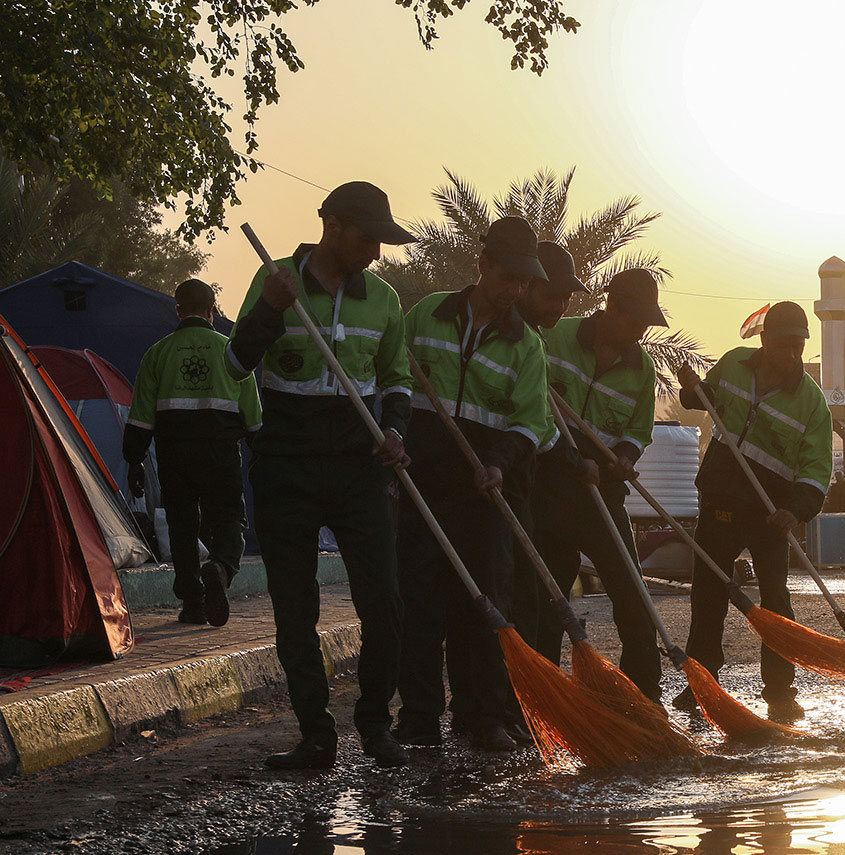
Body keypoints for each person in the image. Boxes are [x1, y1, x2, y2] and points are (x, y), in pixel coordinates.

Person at [229, 181, 415, 771]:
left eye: (382, 242)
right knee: (295, 609)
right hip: (286, 465)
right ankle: (316, 735)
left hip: (360, 466)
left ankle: (375, 724)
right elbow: (235, 363)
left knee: (384, 602)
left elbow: (397, 380)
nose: (376, 253)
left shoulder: (383, 300)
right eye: (367, 239)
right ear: (332, 226)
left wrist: (395, 430)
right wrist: (269, 309)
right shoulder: (275, 280)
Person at [395, 216, 556, 753]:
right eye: (507, 277)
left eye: (522, 282)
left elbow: (531, 422)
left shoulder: (525, 345)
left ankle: (480, 716)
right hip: (422, 482)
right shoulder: (427, 314)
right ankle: (419, 717)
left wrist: (500, 465)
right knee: (419, 604)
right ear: (483, 265)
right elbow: (395, 379)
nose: (514, 291)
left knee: (485, 604)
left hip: (483, 488)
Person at [675, 300, 831, 722]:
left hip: (770, 513)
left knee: (776, 600)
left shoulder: (812, 403)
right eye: (784, 346)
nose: (792, 356)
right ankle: (702, 682)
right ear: (764, 340)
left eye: (799, 346)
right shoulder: (734, 364)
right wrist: (690, 388)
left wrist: (795, 510)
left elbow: (817, 468)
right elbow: (705, 399)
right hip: (721, 500)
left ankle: (780, 691)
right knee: (707, 595)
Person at [527, 260, 666, 704]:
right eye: (636, 320)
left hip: (604, 492)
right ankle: (545, 697)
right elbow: (533, 408)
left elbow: (639, 430)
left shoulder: (642, 368)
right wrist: (571, 461)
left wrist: (624, 456)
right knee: (549, 599)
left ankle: (644, 696)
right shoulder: (553, 339)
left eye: (647, 324)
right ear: (612, 307)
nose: (641, 332)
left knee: (632, 595)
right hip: (549, 486)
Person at [124, 278, 259, 627]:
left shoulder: (157, 354)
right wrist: (261, 456)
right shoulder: (232, 353)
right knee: (229, 518)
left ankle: (193, 603)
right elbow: (254, 420)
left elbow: (140, 417)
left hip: (174, 455)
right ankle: (221, 567)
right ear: (212, 310)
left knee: (183, 527)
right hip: (221, 453)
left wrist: (134, 461)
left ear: (178, 310)